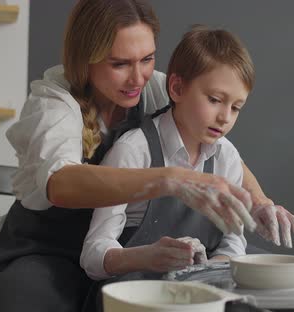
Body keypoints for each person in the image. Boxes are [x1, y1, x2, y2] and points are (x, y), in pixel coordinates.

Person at [0, 1, 294, 312]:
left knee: (264, 281)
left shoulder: (152, 86)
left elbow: (221, 149)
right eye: (120, 63)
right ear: (85, 59)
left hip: (128, 247)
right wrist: (172, 180)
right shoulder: (53, 103)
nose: (138, 77)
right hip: (52, 248)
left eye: (148, 58)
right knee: (26, 295)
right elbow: (60, 184)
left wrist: (260, 201)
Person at [80, 25, 255, 281]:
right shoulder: (133, 151)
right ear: (177, 88)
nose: (225, 117)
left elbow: (233, 240)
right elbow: (92, 255)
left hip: (198, 288)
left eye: (236, 107)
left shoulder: (226, 157)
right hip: (134, 290)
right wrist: (145, 256)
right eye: (215, 100)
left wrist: (207, 271)